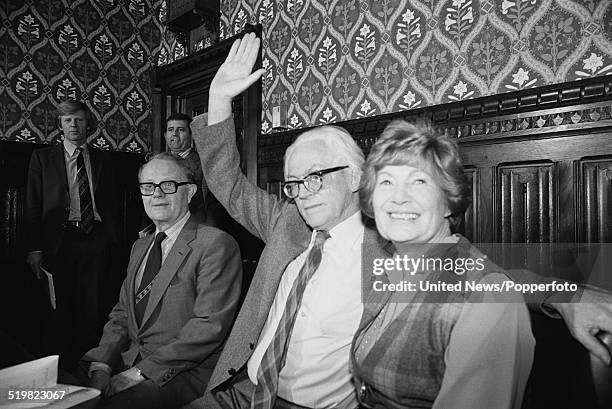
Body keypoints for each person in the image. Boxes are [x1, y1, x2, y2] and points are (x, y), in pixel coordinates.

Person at [189, 33, 612, 408]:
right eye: (295, 182)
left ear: (355, 177)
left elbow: (482, 278)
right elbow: (228, 184)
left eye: (316, 177)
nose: (303, 191)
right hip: (241, 390)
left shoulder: (392, 243)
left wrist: (567, 296)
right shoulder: (287, 222)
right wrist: (219, 101)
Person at [352, 119, 534, 408]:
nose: (398, 198)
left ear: (449, 201)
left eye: (419, 181)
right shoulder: (392, 266)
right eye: (386, 181)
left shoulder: (488, 297)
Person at [81, 153, 243, 409]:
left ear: (189, 192)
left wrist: (140, 372)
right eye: (148, 186)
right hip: (129, 362)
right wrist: (101, 365)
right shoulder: (140, 246)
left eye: (167, 185)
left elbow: (208, 327)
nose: (156, 194)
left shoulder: (215, 244)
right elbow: (122, 314)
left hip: (183, 373)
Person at [25, 100, 121, 371]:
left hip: (97, 239)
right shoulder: (43, 158)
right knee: (58, 308)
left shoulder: (102, 159)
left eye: (78, 120)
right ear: (60, 125)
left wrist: (113, 239)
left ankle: (87, 365)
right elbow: (33, 205)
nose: (74, 125)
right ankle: (58, 368)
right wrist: (34, 248)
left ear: (87, 123)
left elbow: (112, 204)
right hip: (60, 240)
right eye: (68, 120)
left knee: (92, 306)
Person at [165, 113, 208, 221]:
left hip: (193, 226)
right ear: (165, 135)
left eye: (180, 130)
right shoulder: (156, 162)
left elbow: (210, 204)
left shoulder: (204, 164)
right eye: (170, 129)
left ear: (191, 135)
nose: (174, 134)